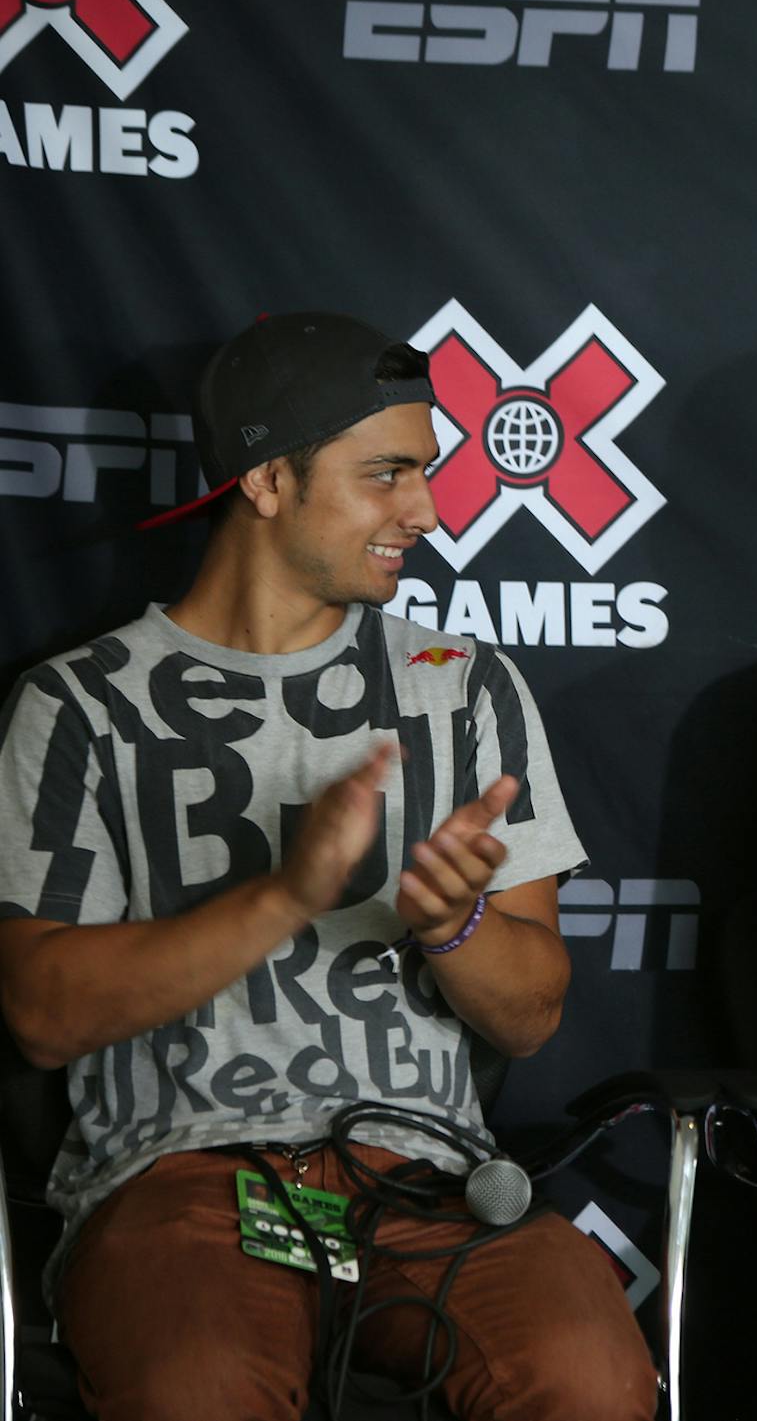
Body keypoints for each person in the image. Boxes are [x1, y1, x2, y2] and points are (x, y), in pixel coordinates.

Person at [0, 313, 657, 1420]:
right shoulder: (78, 706)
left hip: (432, 1187)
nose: (431, 512)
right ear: (265, 477)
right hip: (181, 1184)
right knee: (197, 1392)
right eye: (388, 475)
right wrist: (284, 897)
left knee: (587, 1376)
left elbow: (534, 1013)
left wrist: (454, 928)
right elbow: (40, 1014)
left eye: (429, 473)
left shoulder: (465, 688)